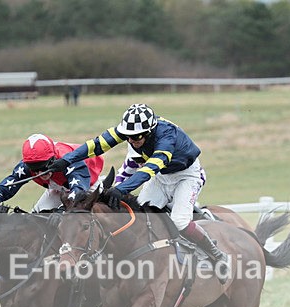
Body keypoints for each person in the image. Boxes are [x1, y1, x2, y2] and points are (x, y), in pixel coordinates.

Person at [47, 103, 228, 281]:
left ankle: (216, 255)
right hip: (161, 177)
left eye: (137, 138)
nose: (132, 142)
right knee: (141, 218)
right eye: (128, 138)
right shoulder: (131, 130)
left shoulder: (167, 137)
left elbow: (148, 170)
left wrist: (121, 189)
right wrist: (66, 160)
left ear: (149, 132)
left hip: (186, 176)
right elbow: (96, 146)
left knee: (179, 221)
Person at [0, 133, 104, 213]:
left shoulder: (68, 160)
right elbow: (11, 182)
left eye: (43, 167)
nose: (40, 172)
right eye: (34, 168)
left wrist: (62, 209)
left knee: (73, 222)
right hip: (59, 188)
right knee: (36, 220)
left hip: (87, 185)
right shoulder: (27, 165)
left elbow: (79, 191)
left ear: (54, 158)